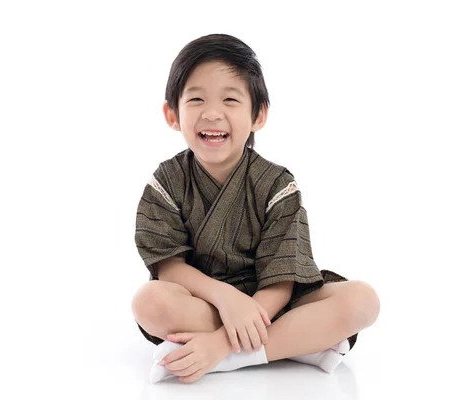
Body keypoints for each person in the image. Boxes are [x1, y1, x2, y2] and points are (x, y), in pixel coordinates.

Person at [131, 33, 380, 384]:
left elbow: (284, 278)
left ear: (258, 115)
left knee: (362, 301)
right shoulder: (167, 180)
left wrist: (219, 344)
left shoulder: (276, 184)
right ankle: (297, 343)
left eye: (230, 100)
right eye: (197, 99)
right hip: (209, 305)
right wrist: (227, 299)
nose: (212, 113)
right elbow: (168, 265)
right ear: (172, 114)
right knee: (149, 302)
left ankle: (224, 356)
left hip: (276, 303)